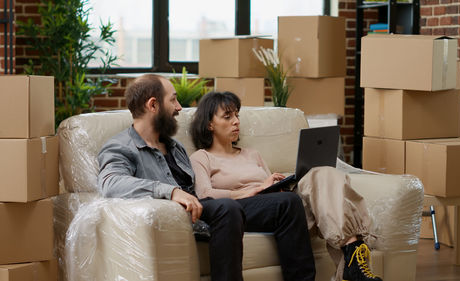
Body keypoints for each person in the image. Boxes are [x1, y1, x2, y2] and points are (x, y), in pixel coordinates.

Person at [97, 74, 316, 281]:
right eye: (173, 100)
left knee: (288, 202)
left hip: (203, 208)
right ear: (153, 105)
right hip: (174, 214)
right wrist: (171, 191)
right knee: (227, 209)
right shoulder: (120, 146)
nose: (179, 108)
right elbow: (110, 183)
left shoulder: (175, 147)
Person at [189, 91, 383, 281]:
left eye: (237, 115)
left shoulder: (252, 154)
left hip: (279, 207)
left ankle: (353, 251)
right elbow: (204, 194)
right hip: (242, 210)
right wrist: (251, 190)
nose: (236, 121)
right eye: (227, 116)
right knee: (287, 202)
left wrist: (278, 185)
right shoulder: (202, 157)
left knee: (323, 173)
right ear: (209, 124)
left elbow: (270, 189)